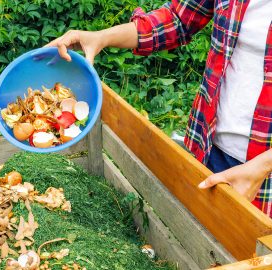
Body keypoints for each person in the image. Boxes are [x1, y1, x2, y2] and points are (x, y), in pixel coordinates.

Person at [46, 0, 272, 217]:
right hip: (209, 147)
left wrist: (263, 166)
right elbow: (178, 19)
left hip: (264, 177)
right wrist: (99, 37)